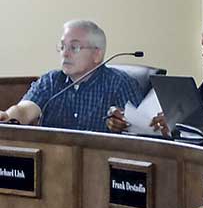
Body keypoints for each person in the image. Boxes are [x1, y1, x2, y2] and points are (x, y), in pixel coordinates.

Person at [0, 20, 141, 132]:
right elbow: (24, 111)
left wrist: (124, 124)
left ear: (97, 54)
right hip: (53, 162)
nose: (65, 53)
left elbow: (140, 130)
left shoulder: (119, 83)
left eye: (74, 48)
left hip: (101, 164)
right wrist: (7, 116)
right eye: (62, 47)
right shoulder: (51, 81)